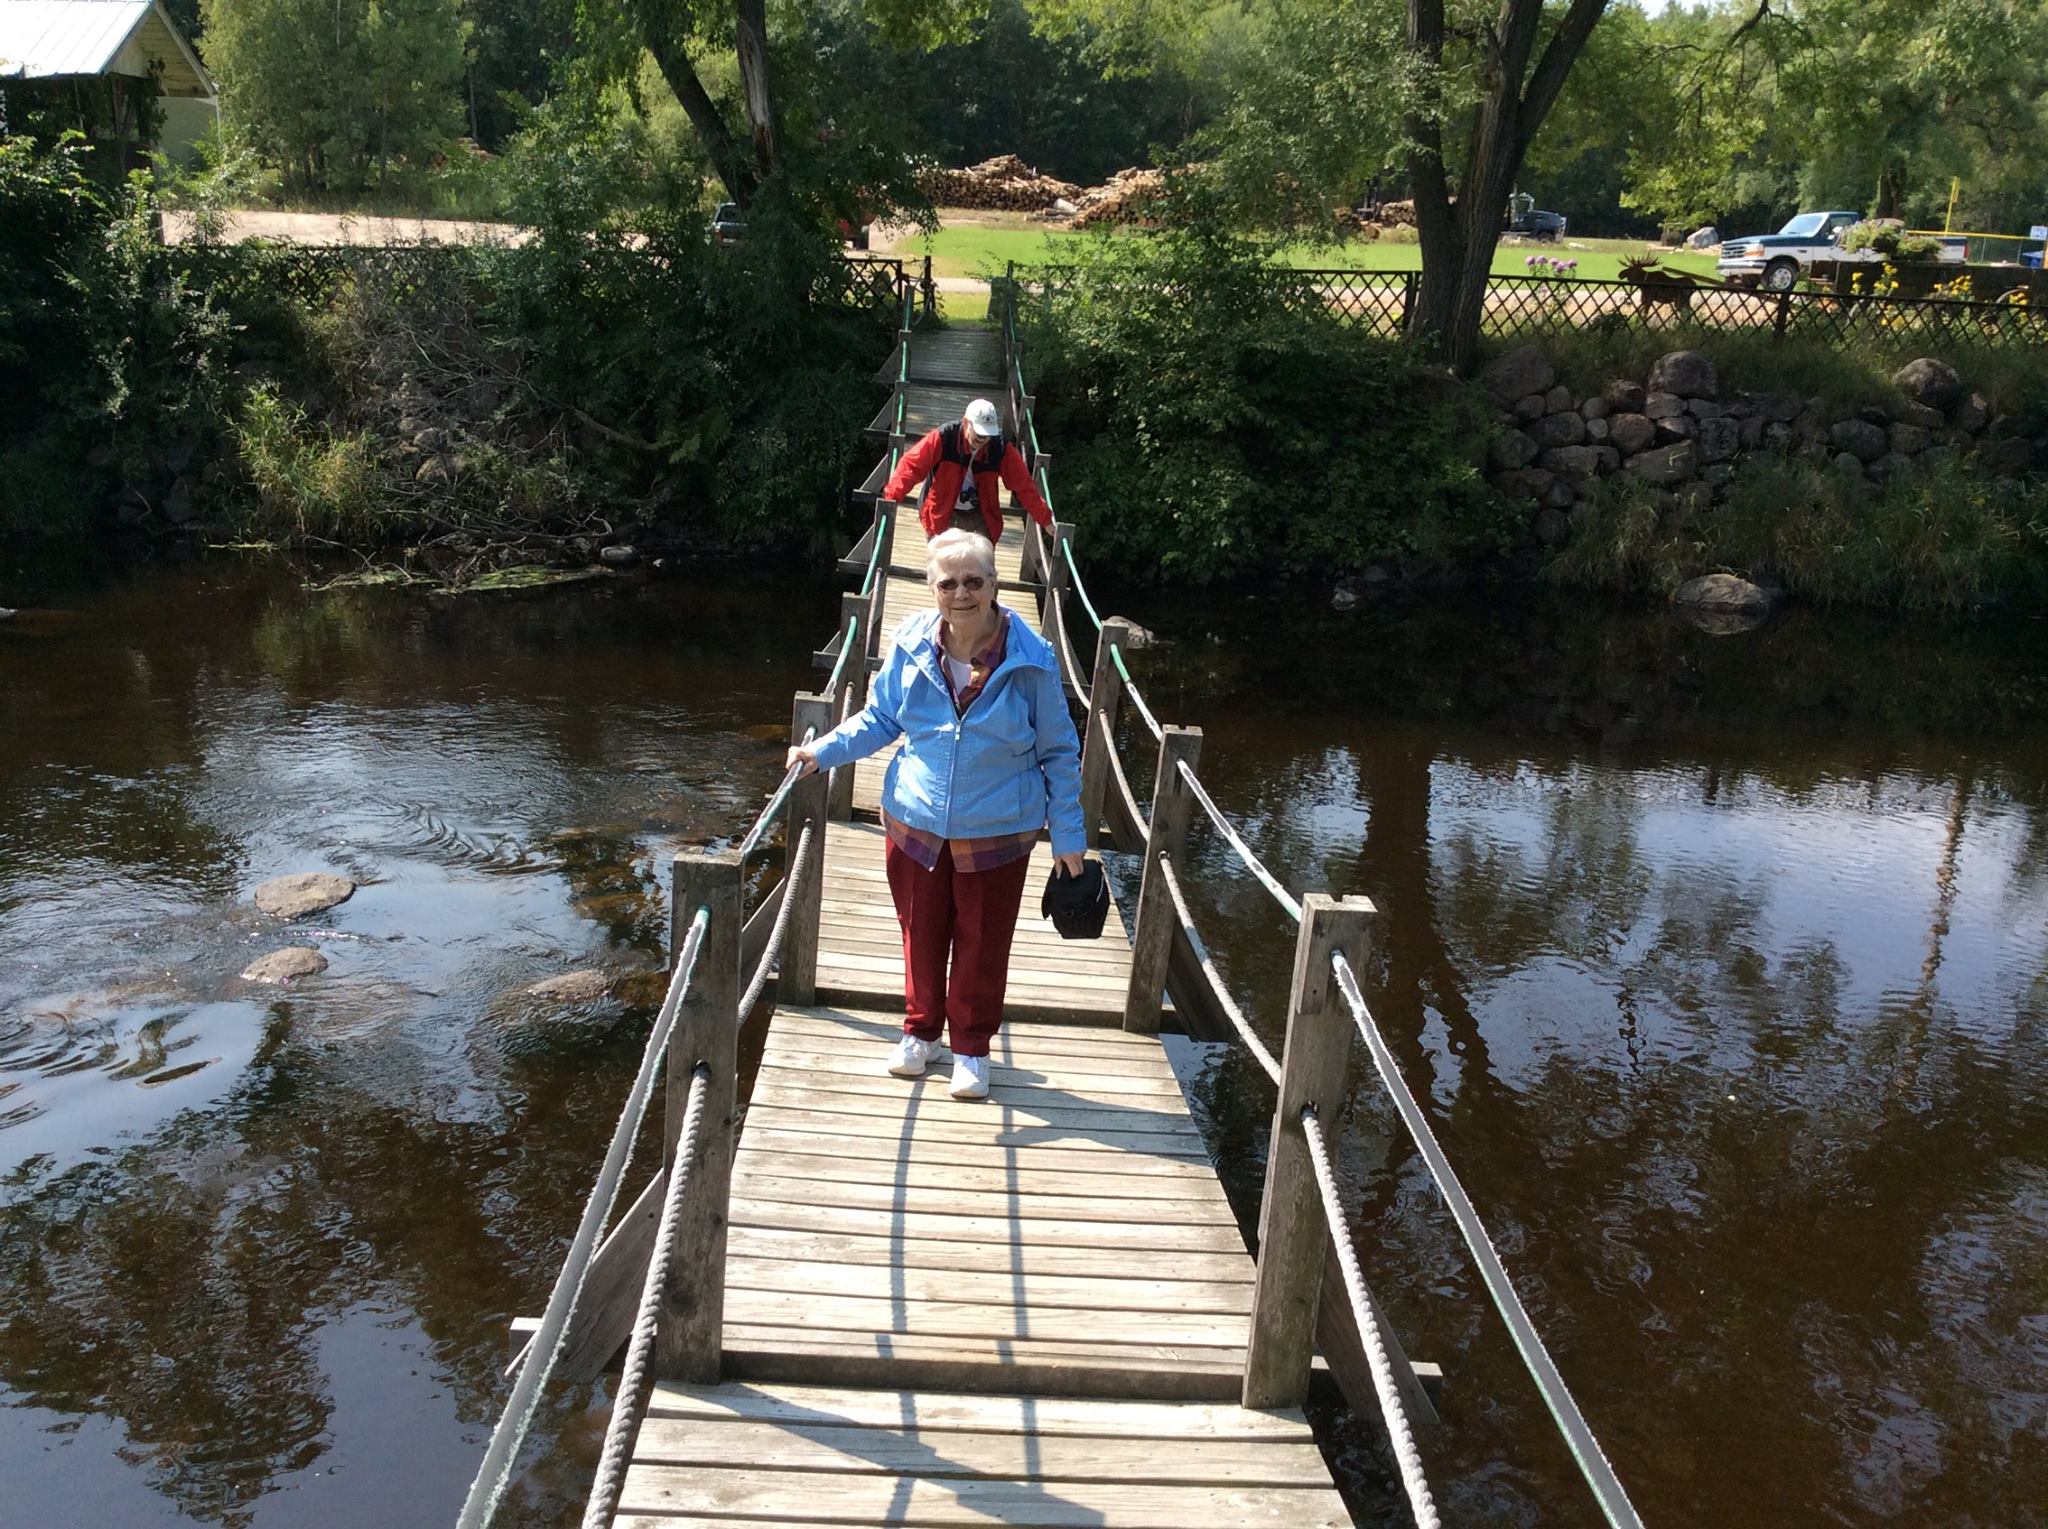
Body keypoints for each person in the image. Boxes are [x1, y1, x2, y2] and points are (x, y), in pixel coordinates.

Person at [788, 529, 1085, 1100]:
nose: (961, 593)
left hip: (998, 827)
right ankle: (921, 1032)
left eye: (974, 581)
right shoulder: (909, 643)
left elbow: (1058, 752)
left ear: (996, 586)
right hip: (915, 821)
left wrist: (1068, 835)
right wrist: (819, 752)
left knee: (982, 941)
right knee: (918, 933)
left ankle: (971, 1047)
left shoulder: (1033, 659)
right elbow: (879, 721)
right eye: (948, 583)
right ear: (932, 589)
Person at [883, 397, 1054, 544]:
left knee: (980, 571)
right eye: (979, 433)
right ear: (966, 423)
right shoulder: (944, 438)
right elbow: (911, 466)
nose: (982, 439)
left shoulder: (1000, 449)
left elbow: (1023, 486)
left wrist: (1046, 519)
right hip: (941, 512)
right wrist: (891, 498)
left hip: (981, 515)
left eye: (987, 435)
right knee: (943, 571)